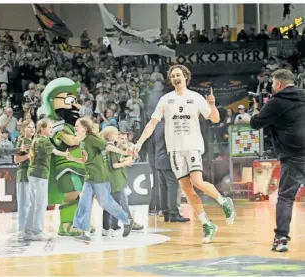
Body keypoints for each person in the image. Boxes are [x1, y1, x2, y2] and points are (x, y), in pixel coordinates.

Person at [134, 64, 236, 243]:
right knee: (187, 190)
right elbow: (152, 123)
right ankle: (207, 224)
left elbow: (215, 118)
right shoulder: (166, 99)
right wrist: (139, 143)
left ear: (185, 77)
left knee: (197, 181)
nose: (175, 77)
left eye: (178, 74)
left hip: (193, 146)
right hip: (174, 150)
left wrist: (212, 105)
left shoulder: (195, 97)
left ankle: (223, 201)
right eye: (172, 75)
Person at [250, 69, 305, 252]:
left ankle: (281, 239)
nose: (272, 87)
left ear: (279, 85)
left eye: (273, 84)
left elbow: (256, 123)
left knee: (286, 197)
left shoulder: (276, 102)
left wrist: (257, 107)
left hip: (294, 156)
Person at [72, 118, 134, 243]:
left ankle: (127, 220)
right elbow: (86, 160)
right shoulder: (82, 142)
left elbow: (108, 147)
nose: (75, 127)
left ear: (84, 128)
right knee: (84, 203)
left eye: (77, 125)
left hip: (99, 178)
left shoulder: (91, 139)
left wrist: (123, 151)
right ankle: (84, 232)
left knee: (106, 204)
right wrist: (72, 158)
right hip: (89, 178)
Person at [24, 118, 85, 241]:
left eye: (52, 128)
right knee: (40, 204)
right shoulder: (44, 141)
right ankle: (37, 231)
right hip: (40, 174)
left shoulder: (37, 139)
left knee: (32, 204)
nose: (52, 130)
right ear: (42, 129)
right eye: (50, 128)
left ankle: (28, 231)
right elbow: (55, 152)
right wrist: (66, 154)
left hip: (32, 173)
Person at [100, 126, 134, 237]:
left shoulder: (103, 146)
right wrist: (126, 162)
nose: (118, 137)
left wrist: (124, 159)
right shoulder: (112, 148)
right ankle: (116, 226)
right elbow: (115, 165)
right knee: (116, 204)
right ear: (110, 135)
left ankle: (106, 228)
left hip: (106, 179)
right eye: (116, 135)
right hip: (114, 180)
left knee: (108, 204)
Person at [155, 119, 190, 222]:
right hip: (168, 160)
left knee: (163, 188)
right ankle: (174, 214)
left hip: (159, 160)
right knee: (173, 187)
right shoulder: (169, 126)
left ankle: (166, 213)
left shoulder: (158, 125)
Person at [13, 120, 36, 239]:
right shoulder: (21, 141)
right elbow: (16, 160)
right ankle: (22, 229)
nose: (32, 129)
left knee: (32, 203)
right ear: (23, 129)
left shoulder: (34, 141)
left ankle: (29, 228)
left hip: (33, 175)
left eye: (33, 127)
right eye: (29, 127)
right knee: (24, 204)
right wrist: (29, 155)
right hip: (23, 175)